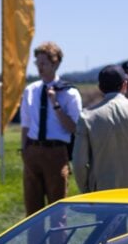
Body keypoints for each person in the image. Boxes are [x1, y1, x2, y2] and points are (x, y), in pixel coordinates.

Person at [73, 64, 128, 192]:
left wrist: (86, 191)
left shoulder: (87, 117)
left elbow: (79, 164)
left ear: (100, 88)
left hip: (103, 194)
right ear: (124, 85)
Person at [20, 41, 82, 215]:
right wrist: (24, 149)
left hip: (55, 153)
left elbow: (74, 128)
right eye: (37, 63)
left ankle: (57, 243)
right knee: (32, 212)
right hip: (33, 150)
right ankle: (35, 243)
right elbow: (26, 123)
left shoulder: (69, 93)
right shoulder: (31, 90)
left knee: (57, 211)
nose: (39, 67)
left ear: (55, 64)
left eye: (44, 63)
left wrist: (55, 104)